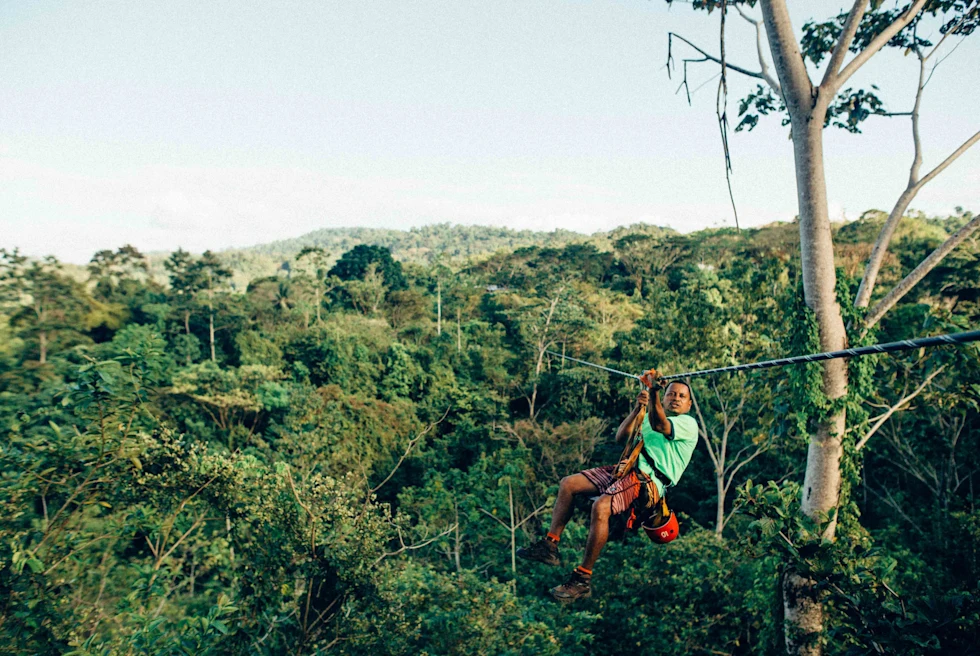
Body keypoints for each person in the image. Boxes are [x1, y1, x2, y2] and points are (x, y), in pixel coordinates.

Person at [517, 369, 698, 602]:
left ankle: (582, 579)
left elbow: (662, 425)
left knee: (601, 508)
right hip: (626, 469)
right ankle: (549, 545)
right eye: (671, 394)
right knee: (569, 484)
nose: (675, 398)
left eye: (681, 396)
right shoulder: (651, 417)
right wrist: (638, 409)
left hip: (647, 481)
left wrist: (653, 391)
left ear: (689, 404)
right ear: (664, 398)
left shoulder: (687, 424)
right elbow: (622, 438)